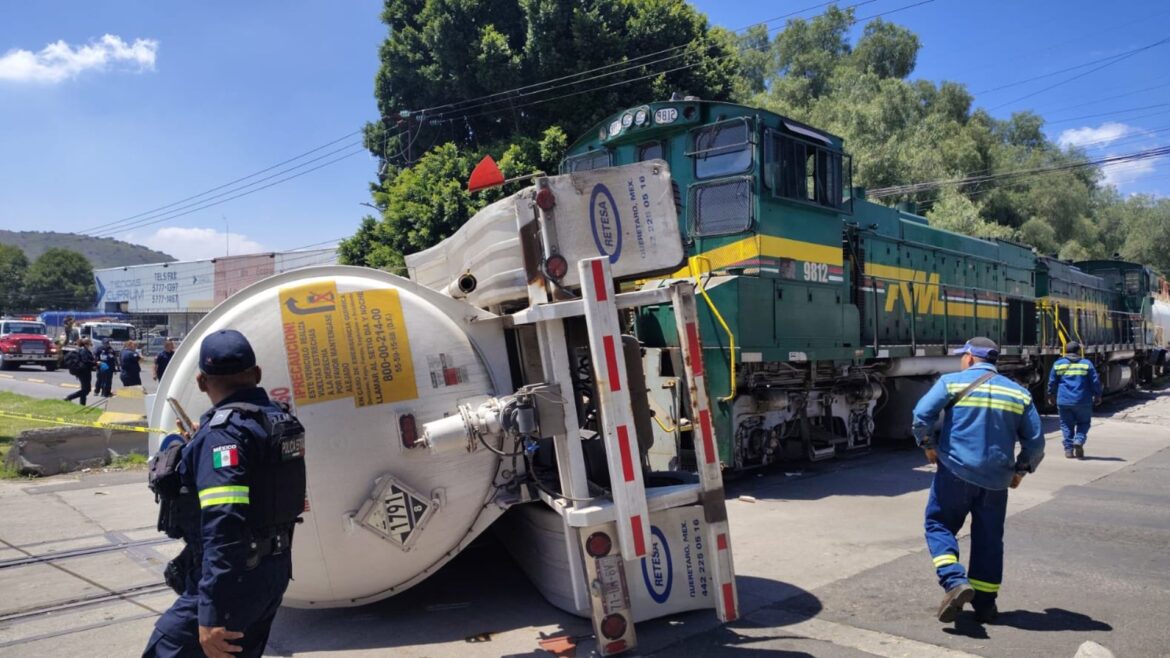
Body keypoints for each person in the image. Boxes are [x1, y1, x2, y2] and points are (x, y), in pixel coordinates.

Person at [143, 329, 306, 658]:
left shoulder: (223, 434)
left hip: (233, 580)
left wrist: (212, 611)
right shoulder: (277, 418)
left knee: (164, 650)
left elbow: (224, 523)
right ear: (256, 374)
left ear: (202, 382)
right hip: (271, 570)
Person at [911, 337, 1045, 624]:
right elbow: (1035, 444)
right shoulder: (1019, 393)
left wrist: (928, 445)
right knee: (989, 539)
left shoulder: (951, 383)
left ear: (970, 358)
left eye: (963, 356)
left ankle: (954, 581)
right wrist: (1020, 470)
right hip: (996, 481)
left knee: (939, 525)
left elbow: (921, 415)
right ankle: (985, 606)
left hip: (955, 473)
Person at [1047, 341, 1102, 459]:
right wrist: (1097, 395)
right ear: (1078, 351)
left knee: (1066, 425)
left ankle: (1068, 450)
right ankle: (1079, 440)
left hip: (1064, 400)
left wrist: (1051, 395)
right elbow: (1095, 381)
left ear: (1065, 351)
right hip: (1083, 400)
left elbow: (1052, 382)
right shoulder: (1086, 364)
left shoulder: (1058, 364)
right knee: (1084, 423)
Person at [64, 338, 96, 406]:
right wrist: (96, 363)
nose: (91, 344)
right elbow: (86, 361)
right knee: (87, 390)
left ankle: (82, 404)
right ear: (86, 344)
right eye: (89, 342)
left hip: (84, 371)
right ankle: (69, 397)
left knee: (84, 389)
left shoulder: (84, 350)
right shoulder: (84, 351)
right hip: (84, 372)